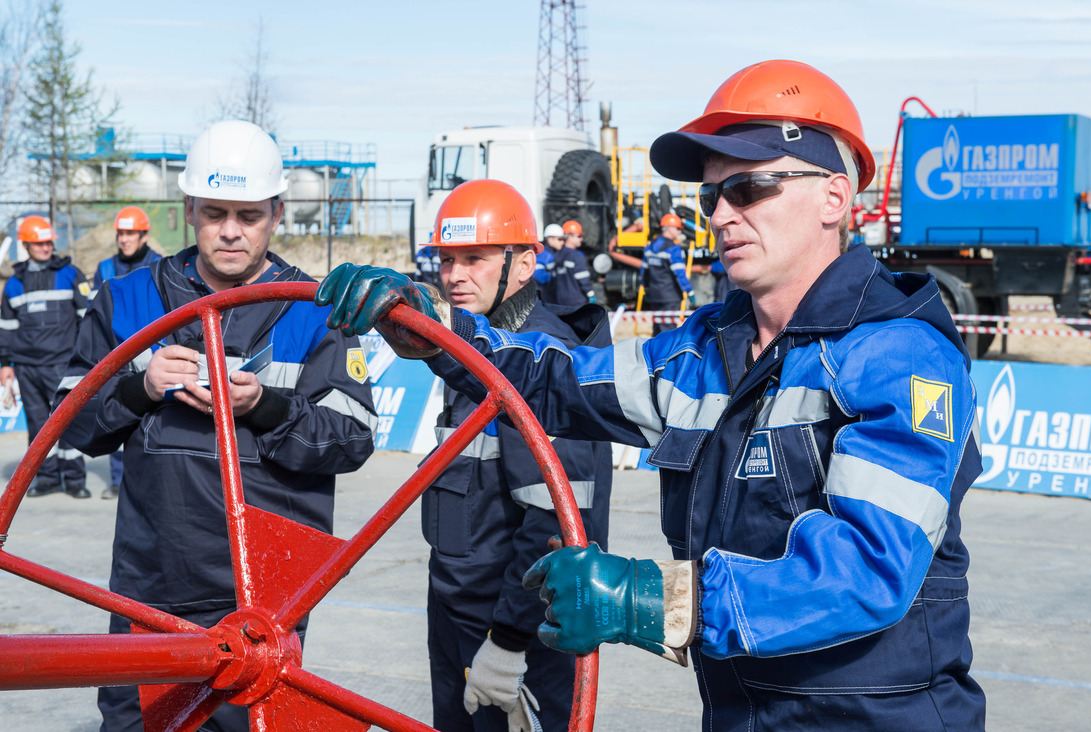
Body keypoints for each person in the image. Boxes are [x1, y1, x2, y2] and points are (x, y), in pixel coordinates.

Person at [315, 59, 986, 731]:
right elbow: (556, 379)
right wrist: (435, 329)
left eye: (749, 187)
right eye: (710, 196)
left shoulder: (899, 355)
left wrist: (647, 599)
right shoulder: (703, 354)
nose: (721, 214)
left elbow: (868, 571)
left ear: (835, 199)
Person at [59, 120, 378, 732]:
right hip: (150, 585)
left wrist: (266, 406)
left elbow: (353, 438)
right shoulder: (126, 300)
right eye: (214, 213)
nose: (231, 230)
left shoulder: (317, 311)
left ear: (277, 213)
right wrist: (139, 386)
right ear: (188, 211)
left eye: (249, 215)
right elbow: (68, 422)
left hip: (264, 597)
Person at [390, 179, 611, 732]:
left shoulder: (545, 363)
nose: (456, 276)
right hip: (456, 617)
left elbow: (557, 522)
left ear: (525, 262)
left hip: (517, 638)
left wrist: (510, 642)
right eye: (446, 260)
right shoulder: (467, 347)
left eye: (476, 258)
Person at [0, 215, 89, 498]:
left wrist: (84, 359)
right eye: (39, 243)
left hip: (62, 363)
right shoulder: (14, 283)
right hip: (26, 366)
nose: (47, 247)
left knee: (67, 422)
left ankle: (75, 480)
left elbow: (86, 320)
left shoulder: (70, 274)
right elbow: (7, 328)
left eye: (49, 241)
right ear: (26, 245)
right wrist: (5, 365)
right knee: (38, 426)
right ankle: (47, 478)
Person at [91, 205, 161, 499]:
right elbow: (95, 311)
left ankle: (153, 480)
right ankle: (119, 480)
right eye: (121, 233)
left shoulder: (160, 264)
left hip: (152, 352)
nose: (125, 238)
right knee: (116, 412)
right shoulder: (104, 269)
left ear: (144, 235)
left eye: (130, 232)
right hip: (115, 353)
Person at [641, 212, 695, 334]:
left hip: (655, 295)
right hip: (670, 296)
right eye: (678, 229)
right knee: (668, 330)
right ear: (669, 229)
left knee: (657, 328)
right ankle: (666, 353)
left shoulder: (649, 246)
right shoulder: (673, 249)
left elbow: (644, 271)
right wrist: (689, 290)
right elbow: (680, 273)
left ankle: (654, 352)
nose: (680, 232)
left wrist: (646, 289)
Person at [535, 222, 596, 308]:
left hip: (558, 299)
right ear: (550, 239)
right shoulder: (545, 255)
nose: (562, 242)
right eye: (560, 239)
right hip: (554, 298)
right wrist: (590, 294)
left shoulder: (558, 254)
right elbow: (539, 276)